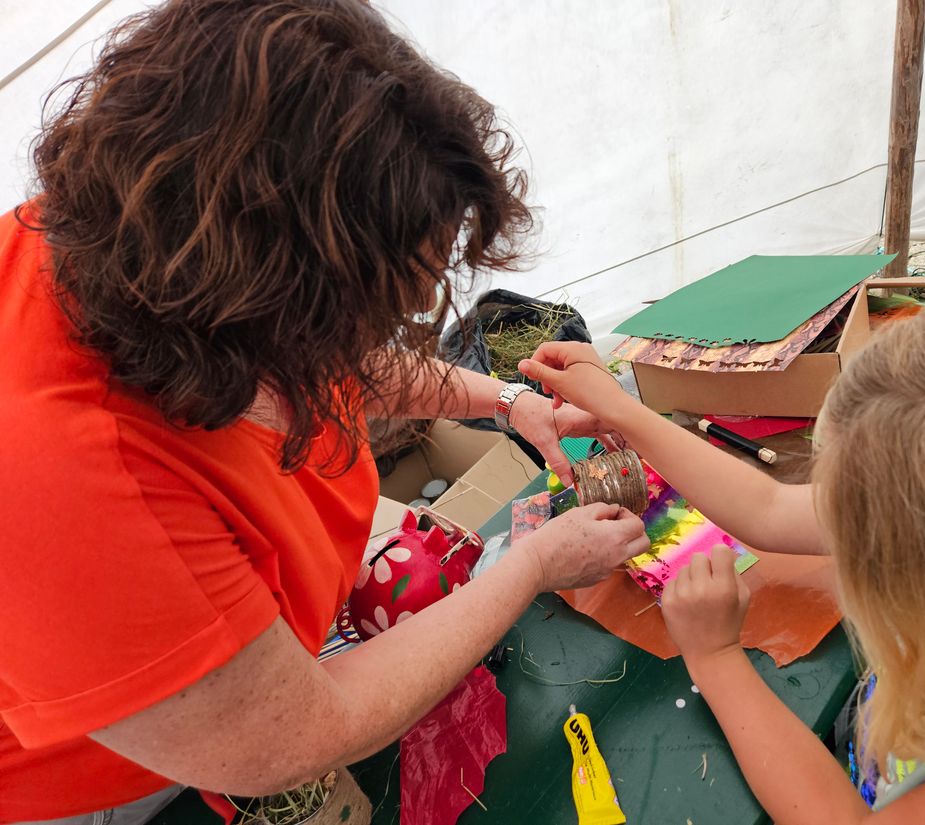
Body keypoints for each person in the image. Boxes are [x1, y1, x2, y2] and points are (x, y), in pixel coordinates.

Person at [0, 2, 650, 823]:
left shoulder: (143, 251)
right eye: (363, 309)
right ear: (273, 291)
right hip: (110, 765)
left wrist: (508, 401)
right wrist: (531, 565)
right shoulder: (67, 477)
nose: (374, 339)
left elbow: (337, 362)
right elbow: (298, 731)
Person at [521, 279, 925, 824]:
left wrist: (716, 657)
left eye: (860, 539)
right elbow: (768, 511)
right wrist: (624, 412)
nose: (837, 531)